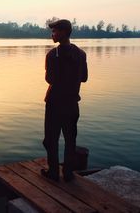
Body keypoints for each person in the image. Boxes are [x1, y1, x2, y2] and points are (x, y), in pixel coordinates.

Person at [41, 19, 88, 182]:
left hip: (55, 103)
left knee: (50, 140)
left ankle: (53, 172)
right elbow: (84, 78)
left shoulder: (52, 55)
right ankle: (68, 173)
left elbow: (50, 79)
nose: (52, 34)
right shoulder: (81, 54)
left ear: (63, 32)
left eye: (54, 31)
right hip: (72, 104)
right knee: (70, 139)